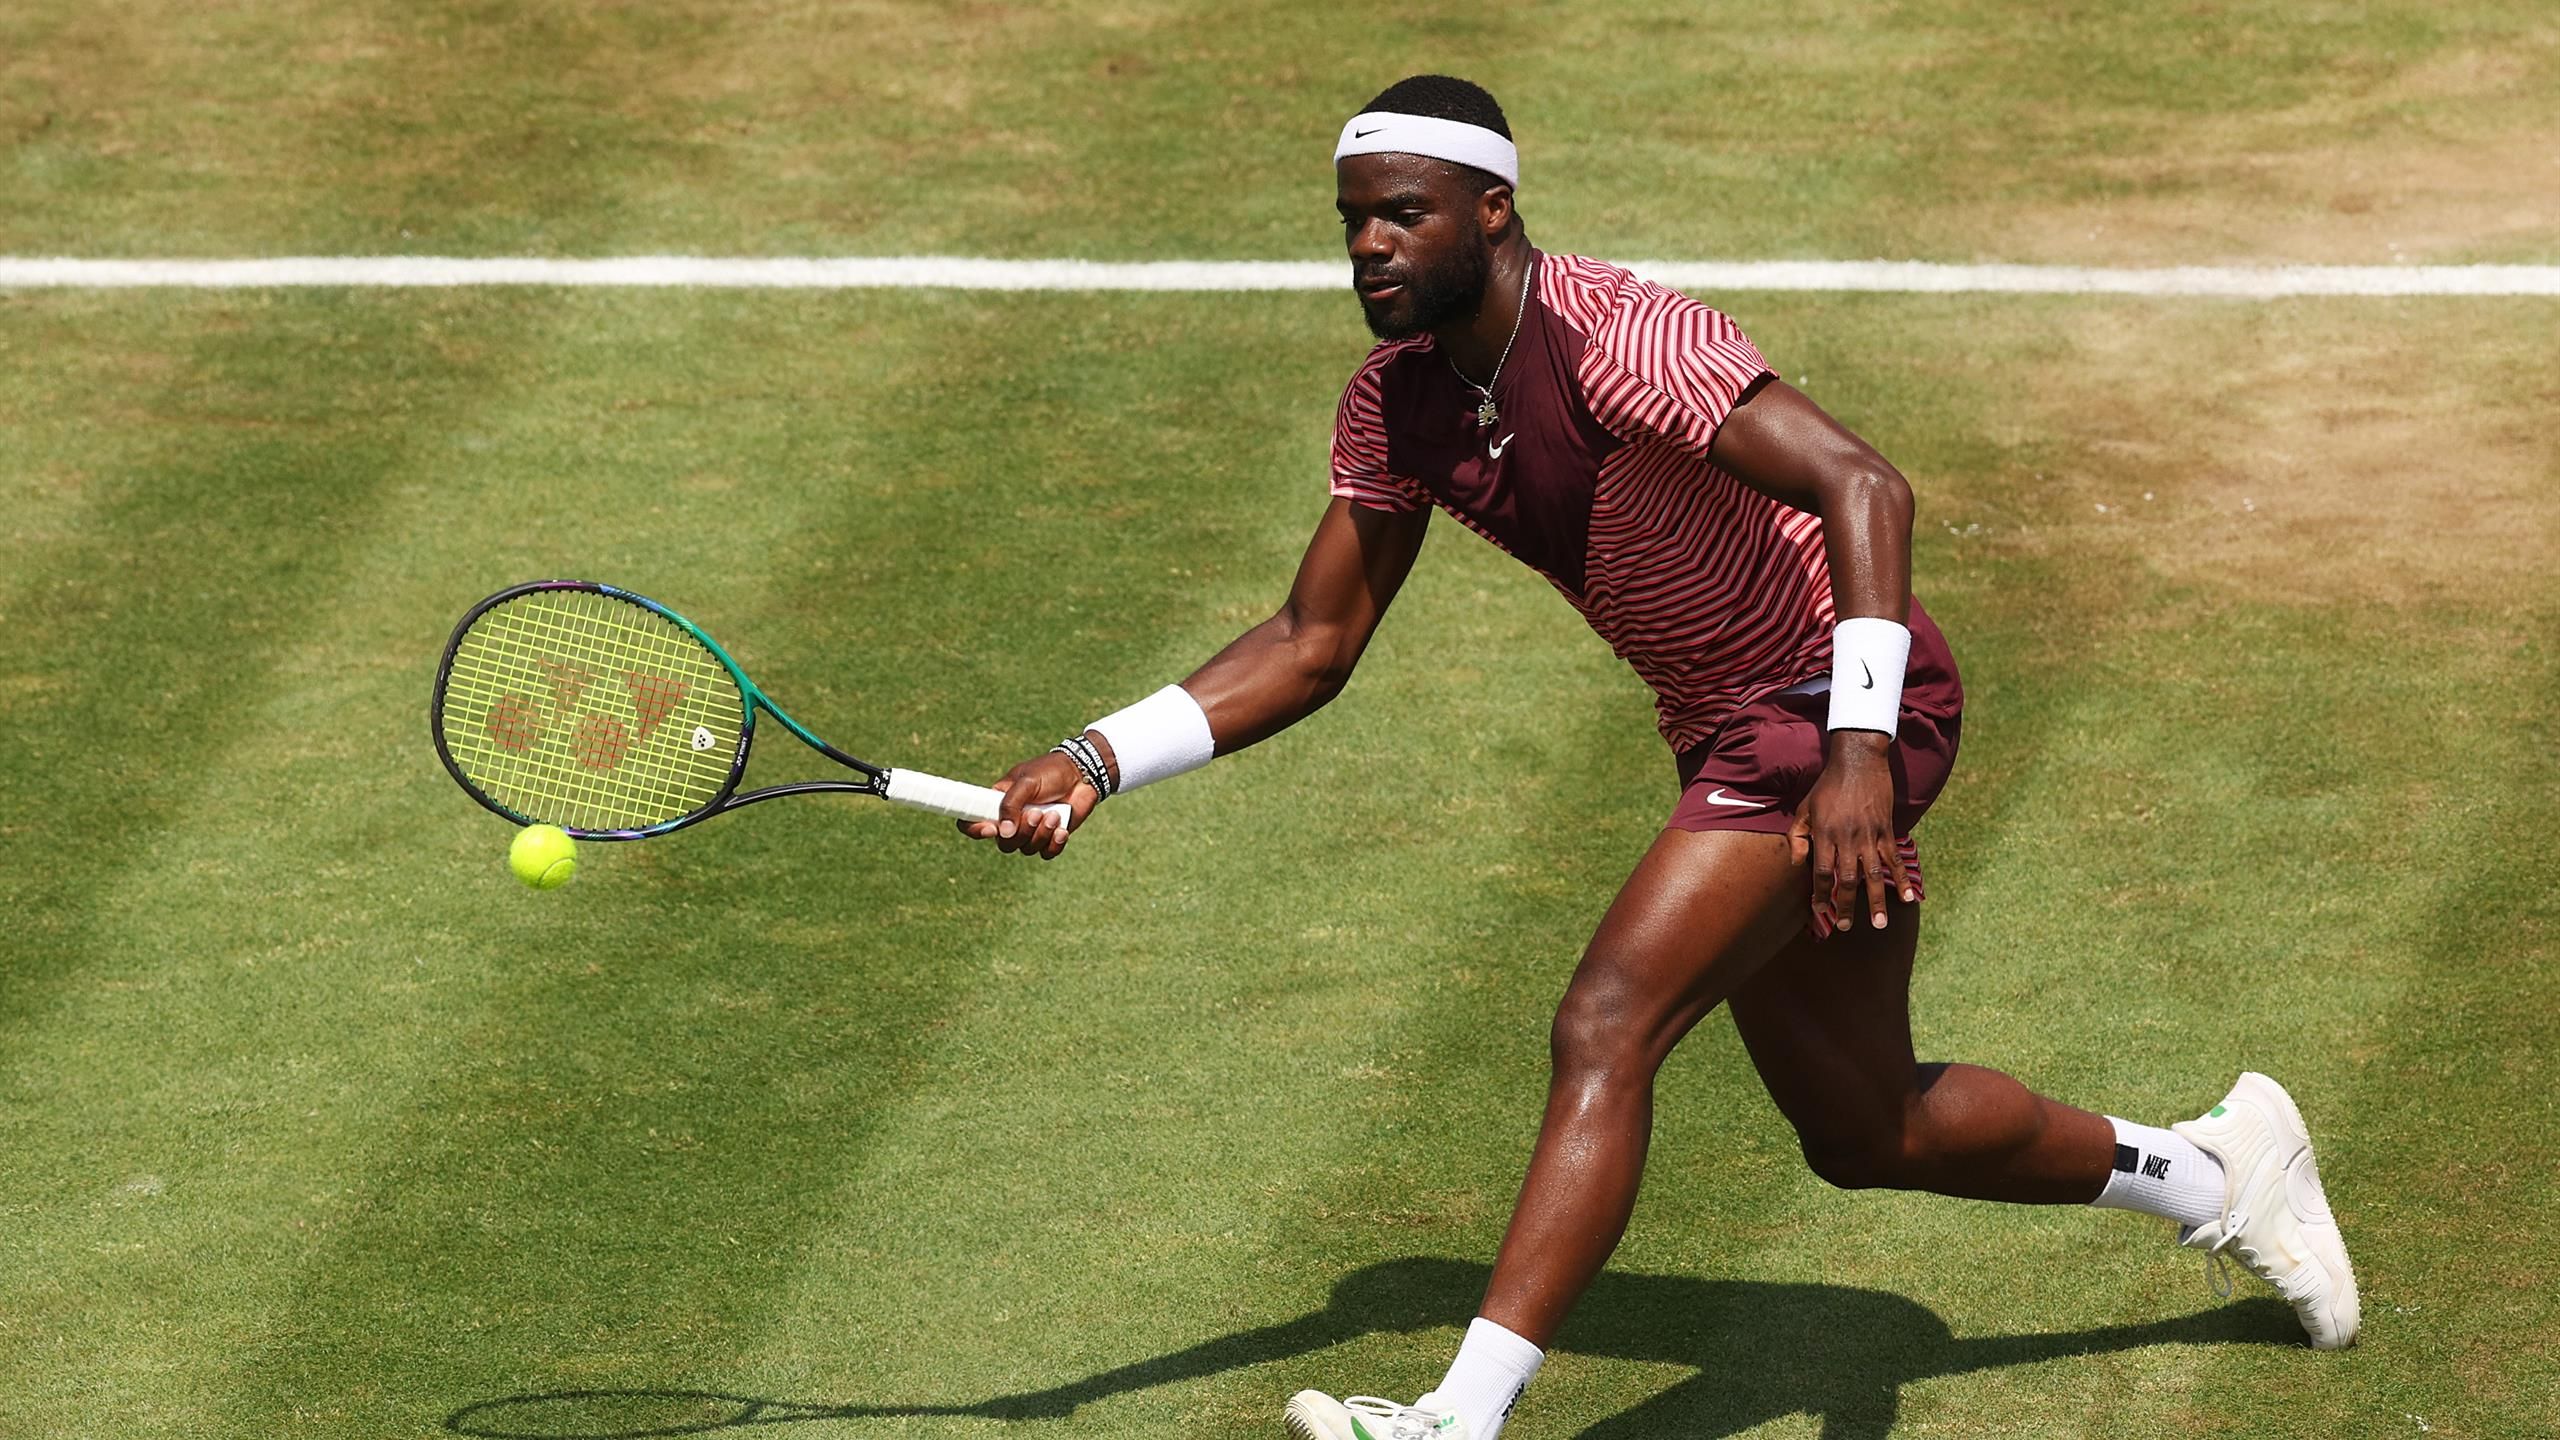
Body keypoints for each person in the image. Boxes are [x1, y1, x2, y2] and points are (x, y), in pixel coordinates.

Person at [964, 74, 2357, 1440]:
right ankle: (2216, 1170)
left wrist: (1858, 748)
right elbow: (1313, 641)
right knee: (1867, 1128)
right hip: (1735, 729)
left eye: (1402, 214)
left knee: (1606, 1023)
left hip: (1837, 697)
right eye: (1352, 220)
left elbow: (1864, 483)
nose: (1369, 246)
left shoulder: (1624, 333)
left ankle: (1460, 1419)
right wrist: (1095, 756)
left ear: (1493, 214)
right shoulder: (1395, 405)